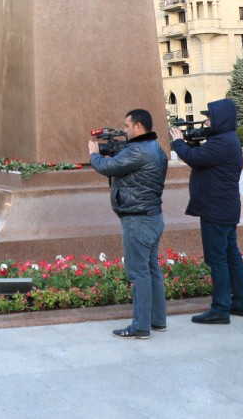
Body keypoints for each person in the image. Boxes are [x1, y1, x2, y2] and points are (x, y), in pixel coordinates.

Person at [88, 109, 168, 339]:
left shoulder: (138, 150)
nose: (124, 130)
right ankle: (157, 320)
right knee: (152, 269)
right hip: (152, 215)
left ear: (139, 127)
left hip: (138, 218)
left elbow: (107, 168)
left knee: (139, 273)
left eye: (126, 126)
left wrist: (95, 155)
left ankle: (141, 326)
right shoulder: (155, 148)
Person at [171, 99, 243, 324]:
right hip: (223, 208)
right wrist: (192, 142)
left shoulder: (222, 142)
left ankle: (220, 309)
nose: (206, 122)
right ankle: (240, 302)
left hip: (216, 209)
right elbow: (203, 161)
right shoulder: (224, 140)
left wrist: (178, 143)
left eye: (209, 118)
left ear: (220, 119)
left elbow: (195, 159)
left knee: (218, 260)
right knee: (231, 256)